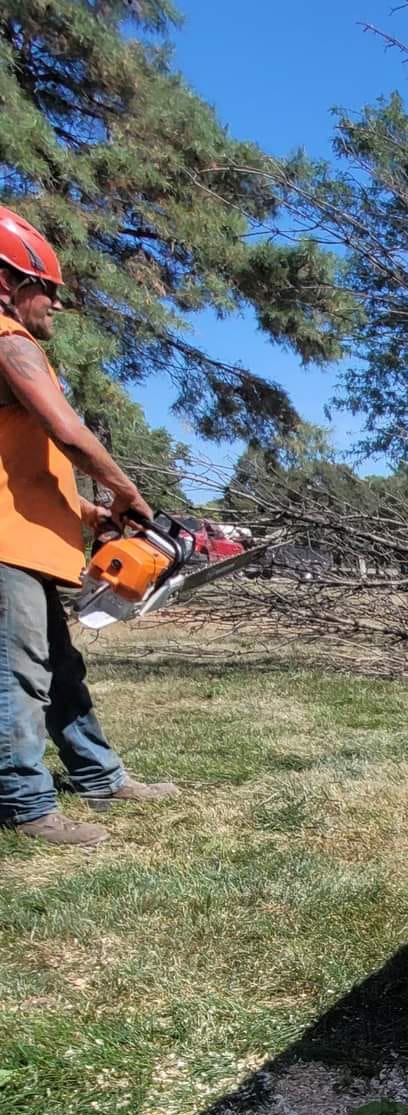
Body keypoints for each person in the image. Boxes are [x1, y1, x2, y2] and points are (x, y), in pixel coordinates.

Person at [0, 204, 178, 847]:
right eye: (44, 288)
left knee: (61, 669)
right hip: (5, 551)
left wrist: (92, 513)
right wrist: (127, 491)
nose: (53, 304)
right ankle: (24, 802)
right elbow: (67, 433)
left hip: (24, 541)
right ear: (6, 283)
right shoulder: (7, 342)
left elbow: (29, 472)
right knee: (19, 671)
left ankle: (99, 775)